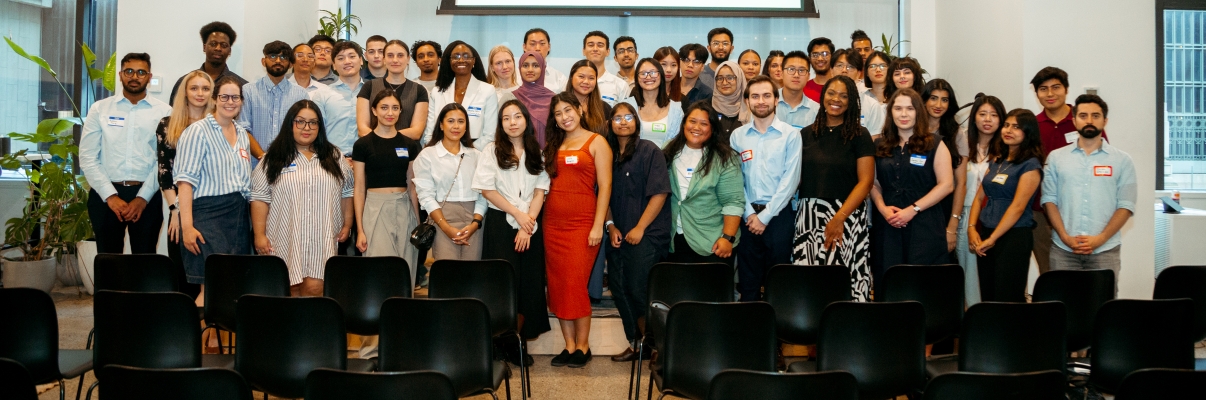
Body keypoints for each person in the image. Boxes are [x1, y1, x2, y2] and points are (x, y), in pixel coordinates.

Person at [472, 100, 553, 350]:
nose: (512, 122)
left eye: (517, 117)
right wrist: (518, 215)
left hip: (530, 223)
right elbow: (487, 190)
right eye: (506, 118)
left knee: (529, 282)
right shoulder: (491, 150)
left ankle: (521, 345)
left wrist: (527, 224)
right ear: (501, 124)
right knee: (504, 282)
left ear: (526, 120)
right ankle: (501, 344)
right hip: (501, 223)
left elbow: (540, 190)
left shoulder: (537, 151)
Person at [251, 100, 353, 297]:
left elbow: (347, 191)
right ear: (290, 124)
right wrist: (259, 235)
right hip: (284, 238)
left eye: (313, 123)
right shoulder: (273, 158)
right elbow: (259, 197)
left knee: (316, 290)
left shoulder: (334, 156)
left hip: (323, 239)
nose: (307, 128)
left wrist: (347, 224)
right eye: (300, 121)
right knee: (289, 290)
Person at [542, 93, 612, 368]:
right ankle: (569, 346)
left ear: (580, 110)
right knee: (558, 285)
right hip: (552, 224)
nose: (564, 116)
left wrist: (598, 225)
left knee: (575, 285)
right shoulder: (553, 144)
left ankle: (583, 346)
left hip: (583, 224)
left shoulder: (598, 142)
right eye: (558, 113)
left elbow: (605, 186)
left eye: (568, 110)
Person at [793, 75, 876, 302]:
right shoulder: (805, 134)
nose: (836, 99)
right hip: (808, 218)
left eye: (843, 95)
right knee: (811, 284)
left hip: (846, 217)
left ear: (852, 102)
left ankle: (847, 333)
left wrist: (839, 218)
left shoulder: (860, 135)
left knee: (844, 282)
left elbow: (866, 182)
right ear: (822, 96)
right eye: (831, 93)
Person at [1041, 95, 1134, 294]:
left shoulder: (1123, 161)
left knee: (1102, 308)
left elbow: (1126, 206)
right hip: (1063, 250)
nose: (1089, 120)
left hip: (1105, 250)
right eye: (1083, 115)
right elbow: (1049, 200)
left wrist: (1099, 239)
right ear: (1074, 121)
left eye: (1095, 115)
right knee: (1062, 307)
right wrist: (1065, 237)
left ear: (1105, 121)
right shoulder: (1056, 158)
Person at [174, 76, 253, 307]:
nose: (230, 102)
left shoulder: (242, 134)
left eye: (235, 97)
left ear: (241, 101)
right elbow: (184, 182)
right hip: (207, 216)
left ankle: (215, 343)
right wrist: (187, 226)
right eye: (224, 96)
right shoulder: (197, 132)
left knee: (231, 287)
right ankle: (194, 342)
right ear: (215, 99)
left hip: (237, 215)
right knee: (210, 289)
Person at [81, 52, 171, 255]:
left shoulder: (165, 112)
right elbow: (87, 157)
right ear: (120, 75)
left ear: (149, 76)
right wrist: (110, 196)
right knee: (108, 261)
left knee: (145, 261)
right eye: (129, 71)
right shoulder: (99, 109)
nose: (134, 76)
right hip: (105, 196)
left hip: (147, 195)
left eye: (141, 72)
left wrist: (142, 198)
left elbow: (163, 161)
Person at [603, 102, 671, 362]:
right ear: (610, 123)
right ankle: (637, 344)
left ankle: (658, 348)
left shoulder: (649, 151)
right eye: (617, 117)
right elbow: (603, 196)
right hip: (618, 235)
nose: (623, 122)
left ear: (636, 121)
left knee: (639, 289)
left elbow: (660, 192)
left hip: (647, 234)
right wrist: (610, 226)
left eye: (628, 117)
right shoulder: (609, 155)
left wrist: (640, 227)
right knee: (619, 288)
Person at [869, 88, 954, 288]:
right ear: (891, 113)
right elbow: (872, 183)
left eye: (910, 108)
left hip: (925, 224)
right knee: (889, 282)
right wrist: (882, 208)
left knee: (923, 285)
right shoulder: (880, 144)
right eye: (898, 108)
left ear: (919, 112)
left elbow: (947, 184)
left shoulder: (935, 143)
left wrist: (913, 209)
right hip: (888, 224)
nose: (904, 114)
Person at [730, 75, 802, 302]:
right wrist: (750, 213)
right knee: (748, 284)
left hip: (779, 217)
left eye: (766, 95)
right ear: (747, 101)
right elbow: (734, 180)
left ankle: (778, 336)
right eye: (755, 96)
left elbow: (791, 181)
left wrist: (765, 216)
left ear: (776, 99)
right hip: (747, 218)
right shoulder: (737, 136)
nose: (761, 101)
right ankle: (751, 336)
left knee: (778, 284)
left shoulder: (791, 135)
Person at [1030, 67, 1108, 276]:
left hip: (1079, 210)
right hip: (1040, 211)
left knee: (1088, 274)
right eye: (1043, 89)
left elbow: (1101, 161)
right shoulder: (1033, 125)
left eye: (1056, 87)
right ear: (1036, 93)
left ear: (1066, 90)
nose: (1050, 94)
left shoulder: (1084, 120)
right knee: (1051, 274)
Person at [967, 108, 1044, 303]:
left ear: (1028, 132)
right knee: (988, 293)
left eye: (1016, 127)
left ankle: (1011, 334)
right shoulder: (997, 160)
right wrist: (971, 228)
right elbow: (978, 198)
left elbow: (1017, 207)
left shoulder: (1030, 165)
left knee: (1007, 297)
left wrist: (993, 238)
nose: (1008, 130)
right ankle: (990, 333)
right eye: (1007, 125)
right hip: (986, 234)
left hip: (1013, 237)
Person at [353, 90, 426, 284]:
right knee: (379, 270)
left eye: (395, 108)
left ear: (401, 111)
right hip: (375, 209)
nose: (390, 112)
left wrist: (418, 223)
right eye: (384, 107)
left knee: (405, 269)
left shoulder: (410, 145)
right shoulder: (363, 144)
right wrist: (360, 229)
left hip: (404, 209)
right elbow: (359, 188)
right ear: (374, 111)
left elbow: (412, 186)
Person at [664, 102, 744, 266]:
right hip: (673, 240)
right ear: (684, 123)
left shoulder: (725, 158)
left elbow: (733, 202)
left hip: (712, 241)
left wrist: (727, 237)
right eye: (692, 121)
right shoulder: (668, 151)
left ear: (713, 128)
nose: (696, 127)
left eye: (704, 123)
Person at [157, 70, 213, 298]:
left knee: (209, 277)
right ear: (185, 92)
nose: (200, 94)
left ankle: (209, 331)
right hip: (179, 206)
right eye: (194, 88)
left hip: (211, 207)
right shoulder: (167, 124)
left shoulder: (219, 123)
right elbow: (164, 172)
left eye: (205, 88)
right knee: (183, 276)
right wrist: (176, 211)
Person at [414, 104, 488, 261]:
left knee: (472, 273)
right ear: (441, 125)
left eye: (461, 121)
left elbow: (485, 194)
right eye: (451, 121)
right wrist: (446, 228)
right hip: (442, 217)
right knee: (447, 273)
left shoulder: (477, 156)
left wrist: (475, 223)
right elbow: (426, 196)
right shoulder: (427, 155)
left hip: (474, 217)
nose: (456, 126)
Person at [956, 94, 1006, 306]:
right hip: (965, 213)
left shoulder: (1007, 148)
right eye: (982, 114)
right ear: (974, 117)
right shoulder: (961, 142)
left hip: (995, 216)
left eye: (994, 115)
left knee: (992, 273)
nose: (988, 119)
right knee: (967, 273)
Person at [921, 79, 969, 260]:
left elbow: (961, 182)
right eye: (933, 98)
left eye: (944, 100)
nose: (938, 105)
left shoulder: (957, 134)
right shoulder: (911, 129)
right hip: (915, 204)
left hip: (943, 208)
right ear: (924, 100)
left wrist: (953, 225)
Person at [423, 40, 498, 149]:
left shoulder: (488, 90)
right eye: (456, 56)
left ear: (474, 61)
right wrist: (442, 152)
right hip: (440, 156)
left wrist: (464, 152)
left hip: (475, 155)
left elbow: (490, 135)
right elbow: (430, 133)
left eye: (466, 56)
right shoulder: (437, 91)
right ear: (449, 61)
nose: (461, 60)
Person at [240, 41, 309, 147]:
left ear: (290, 64)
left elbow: (304, 130)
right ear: (263, 61)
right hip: (255, 161)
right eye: (272, 56)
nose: (278, 61)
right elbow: (243, 129)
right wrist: (262, 157)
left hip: (290, 161)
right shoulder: (248, 91)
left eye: (283, 57)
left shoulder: (301, 94)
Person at [355, 40, 429, 140]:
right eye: (390, 55)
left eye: (400, 55)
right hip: (373, 149)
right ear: (384, 59)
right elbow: (362, 129)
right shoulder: (369, 86)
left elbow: (416, 132)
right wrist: (386, 139)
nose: (395, 60)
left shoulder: (419, 90)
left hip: (407, 151)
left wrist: (385, 137)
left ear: (408, 59)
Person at [170, 22, 247, 105]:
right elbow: (175, 113)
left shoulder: (242, 86)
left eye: (223, 45)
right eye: (213, 44)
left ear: (230, 51)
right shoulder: (185, 82)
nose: (218, 48)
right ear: (204, 47)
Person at [501, 52, 557, 147]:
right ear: (519, 68)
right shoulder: (509, 98)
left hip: (549, 155)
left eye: (535, 65)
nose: (530, 70)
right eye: (525, 65)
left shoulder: (554, 99)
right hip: (518, 155)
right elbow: (500, 131)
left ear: (543, 68)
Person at [625, 58, 684, 148]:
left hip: (665, 160)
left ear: (661, 76)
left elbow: (679, 142)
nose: (648, 77)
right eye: (643, 73)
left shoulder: (676, 109)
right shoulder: (626, 106)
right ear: (637, 78)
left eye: (653, 73)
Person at [565, 59, 612, 133]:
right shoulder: (560, 105)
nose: (586, 82)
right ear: (571, 77)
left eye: (591, 78)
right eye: (581, 76)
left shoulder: (604, 108)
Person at [581, 31, 628, 105]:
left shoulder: (620, 85)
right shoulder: (574, 83)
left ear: (607, 52)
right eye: (591, 45)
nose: (595, 49)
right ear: (583, 51)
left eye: (600, 45)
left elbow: (625, 114)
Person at [776, 51, 819, 129]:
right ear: (782, 73)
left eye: (801, 70)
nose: (796, 75)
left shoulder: (816, 110)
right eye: (791, 69)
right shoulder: (767, 103)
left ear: (808, 76)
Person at [711, 60, 750, 140]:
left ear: (739, 79)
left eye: (730, 78)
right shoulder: (706, 108)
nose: (724, 83)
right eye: (720, 78)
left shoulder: (750, 107)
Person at [523, 28, 568, 92]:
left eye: (542, 43)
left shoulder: (560, 78)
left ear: (549, 47)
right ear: (524, 47)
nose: (538, 48)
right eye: (533, 44)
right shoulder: (515, 76)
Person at [860, 51, 891, 136]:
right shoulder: (861, 98)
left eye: (882, 66)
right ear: (866, 72)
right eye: (873, 66)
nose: (878, 70)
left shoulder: (898, 99)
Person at [678, 43, 713, 112]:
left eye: (696, 62)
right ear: (680, 62)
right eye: (686, 60)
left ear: (702, 67)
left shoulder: (707, 93)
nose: (690, 65)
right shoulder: (669, 86)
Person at [804, 37, 836, 103]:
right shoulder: (803, 89)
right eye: (815, 55)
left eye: (825, 54)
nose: (820, 59)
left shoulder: (842, 86)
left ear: (833, 56)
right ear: (809, 58)